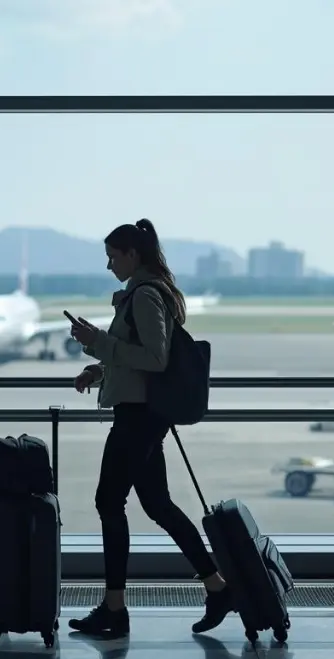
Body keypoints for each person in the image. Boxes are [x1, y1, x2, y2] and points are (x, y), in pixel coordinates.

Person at [65, 218, 235, 637]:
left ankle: (115, 608)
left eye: (112, 257)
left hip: (139, 418)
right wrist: (99, 369)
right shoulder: (144, 293)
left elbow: (155, 359)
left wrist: (97, 341)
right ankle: (217, 587)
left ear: (131, 255)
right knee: (157, 505)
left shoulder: (144, 295)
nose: (109, 266)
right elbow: (137, 362)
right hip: (144, 413)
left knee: (109, 501)